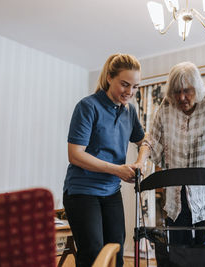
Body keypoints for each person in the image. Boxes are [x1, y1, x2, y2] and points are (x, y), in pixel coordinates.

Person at [138, 62, 205, 246]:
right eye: (177, 91)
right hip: (177, 199)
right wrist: (140, 163)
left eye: (187, 91)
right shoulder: (166, 106)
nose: (182, 97)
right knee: (179, 254)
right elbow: (151, 141)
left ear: (197, 88)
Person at [63, 54, 147, 267]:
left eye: (135, 87)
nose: (130, 92)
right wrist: (117, 170)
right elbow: (75, 154)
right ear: (110, 77)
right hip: (82, 191)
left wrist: (140, 162)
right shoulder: (88, 106)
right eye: (125, 84)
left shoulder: (129, 111)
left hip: (110, 192)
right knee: (93, 252)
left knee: (116, 252)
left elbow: (144, 141)